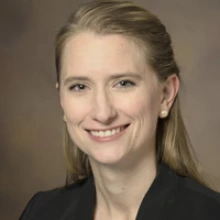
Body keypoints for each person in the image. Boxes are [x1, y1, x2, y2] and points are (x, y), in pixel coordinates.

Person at [19, 0, 220, 219]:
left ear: (165, 95)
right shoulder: (41, 211)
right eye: (79, 86)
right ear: (62, 99)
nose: (102, 113)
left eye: (123, 83)